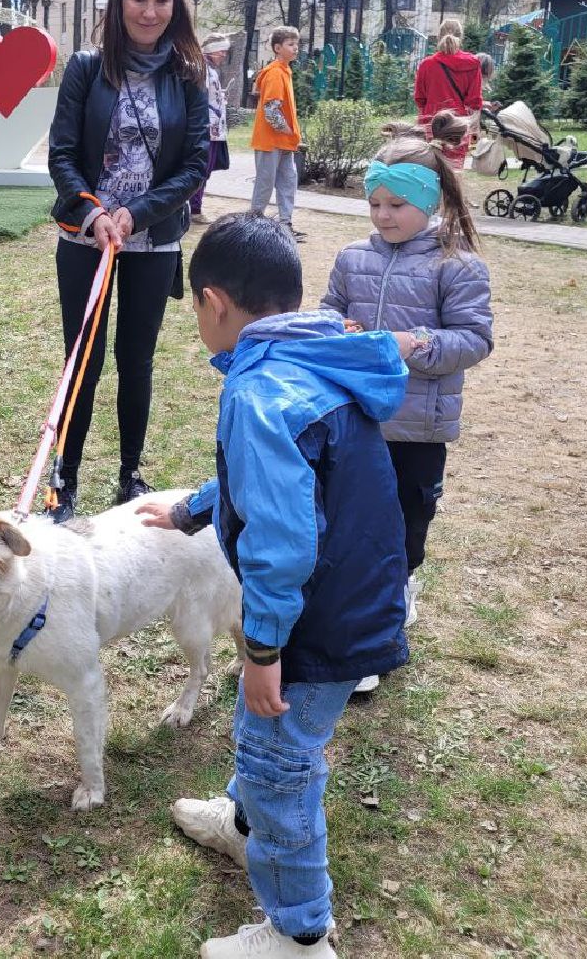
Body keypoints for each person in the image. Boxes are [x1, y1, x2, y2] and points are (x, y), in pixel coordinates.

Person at [138, 213, 409, 959]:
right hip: (354, 597)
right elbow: (289, 482)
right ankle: (244, 824)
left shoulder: (257, 395)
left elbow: (284, 543)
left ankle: (299, 937)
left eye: (193, 308)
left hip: (316, 620)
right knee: (267, 742)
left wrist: (262, 651)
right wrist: (195, 507)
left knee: (279, 760)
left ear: (214, 302)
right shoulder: (318, 354)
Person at [321, 111, 494, 692]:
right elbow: (328, 309)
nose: (383, 215)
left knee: (404, 528)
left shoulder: (457, 264)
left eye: (397, 205)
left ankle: (390, 613)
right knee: (353, 525)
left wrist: (412, 343)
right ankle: (359, 625)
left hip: (418, 428)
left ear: (430, 201)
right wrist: (333, 328)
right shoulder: (353, 258)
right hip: (358, 419)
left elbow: (474, 339)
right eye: (375, 204)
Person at [45, 0, 209, 522]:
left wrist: (136, 213)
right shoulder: (87, 68)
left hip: (152, 239)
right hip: (86, 238)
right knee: (81, 361)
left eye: (162, 0)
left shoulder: (190, 73)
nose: (150, 11)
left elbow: (195, 164)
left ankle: (130, 473)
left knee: (135, 360)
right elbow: (62, 154)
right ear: (119, 2)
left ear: (175, 5)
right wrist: (93, 212)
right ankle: (63, 480)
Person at [250, 27, 304, 240]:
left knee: (288, 182)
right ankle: (253, 223)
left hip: (284, 142)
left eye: (296, 44)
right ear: (277, 48)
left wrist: (290, 135)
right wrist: (288, 130)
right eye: (291, 45)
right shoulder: (274, 73)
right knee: (265, 183)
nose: (295, 48)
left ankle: (285, 224)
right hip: (270, 141)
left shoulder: (285, 71)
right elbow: (271, 109)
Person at [413, 18, 484, 165]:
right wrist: (475, 129)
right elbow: (474, 102)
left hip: (430, 125)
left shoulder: (427, 64)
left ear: (439, 36)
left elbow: (420, 99)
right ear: (461, 37)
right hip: (457, 127)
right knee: (453, 174)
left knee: (429, 171)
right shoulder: (472, 64)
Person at [190, 32, 232, 224]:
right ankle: (194, 208)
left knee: (205, 169)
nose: (223, 55)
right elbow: (199, 98)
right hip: (208, 128)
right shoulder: (204, 69)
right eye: (221, 51)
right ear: (212, 50)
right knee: (202, 169)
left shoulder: (207, 69)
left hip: (212, 127)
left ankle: (194, 207)